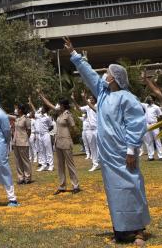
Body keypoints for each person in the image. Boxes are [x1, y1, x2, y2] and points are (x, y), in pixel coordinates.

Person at [65, 37, 149, 245]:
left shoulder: (127, 98)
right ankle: (120, 230)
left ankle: (139, 230)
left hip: (123, 152)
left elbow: (136, 125)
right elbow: (89, 74)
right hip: (108, 154)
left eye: (108, 73)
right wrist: (74, 55)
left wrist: (131, 150)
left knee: (131, 187)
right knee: (114, 191)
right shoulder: (102, 94)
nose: (104, 75)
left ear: (114, 79)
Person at [37, 91, 81, 195]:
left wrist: (70, 137)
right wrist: (41, 95)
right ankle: (62, 186)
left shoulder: (68, 115)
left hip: (66, 141)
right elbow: (49, 105)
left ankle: (75, 185)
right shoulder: (59, 113)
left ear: (63, 105)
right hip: (58, 142)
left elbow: (73, 127)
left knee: (70, 164)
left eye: (60, 104)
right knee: (60, 165)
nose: (58, 105)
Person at [76, 93, 100, 171]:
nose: (91, 99)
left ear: (95, 99)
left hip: (98, 129)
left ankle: (102, 162)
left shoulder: (97, 105)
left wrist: (85, 99)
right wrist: (74, 100)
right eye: (90, 98)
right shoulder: (87, 107)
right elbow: (79, 109)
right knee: (92, 148)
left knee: (100, 147)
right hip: (90, 130)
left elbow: (93, 108)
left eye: (92, 98)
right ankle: (95, 163)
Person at [11, 104, 32, 184]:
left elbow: (29, 130)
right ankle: (21, 177)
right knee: (18, 161)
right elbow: (7, 115)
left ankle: (27, 177)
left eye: (18, 109)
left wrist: (26, 138)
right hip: (15, 141)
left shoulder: (26, 119)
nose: (16, 110)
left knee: (25, 160)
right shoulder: (17, 118)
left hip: (23, 142)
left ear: (21, 110)